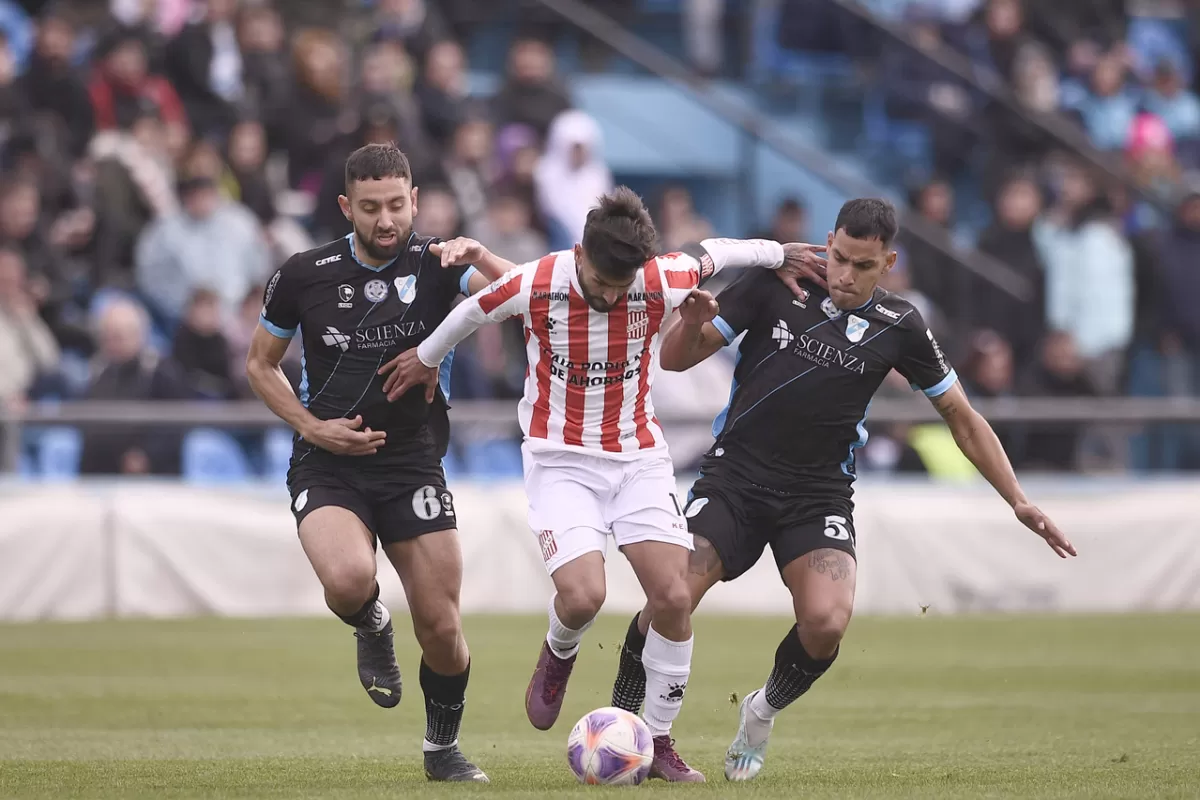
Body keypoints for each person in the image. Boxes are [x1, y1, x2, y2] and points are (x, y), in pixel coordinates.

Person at [606, 198, 1077, 783]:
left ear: (889, 263)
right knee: (670, 596)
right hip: (734, 478)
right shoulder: (776, 282)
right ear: (827, 242)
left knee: (827, 623)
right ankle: (626, 728)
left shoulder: (901, 325)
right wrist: (696, 320)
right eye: (839, 258)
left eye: (863, 266)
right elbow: (675, 360)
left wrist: (1019, 500)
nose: (845, 275)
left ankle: (761, 711)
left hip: (817, 493)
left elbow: (961, 415)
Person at [378, 186, 826, 782]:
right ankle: (560, 648)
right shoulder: (539, 281)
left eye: (623, 288)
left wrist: (779, 253)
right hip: (559, 459)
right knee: (585, 595)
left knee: (672, 595)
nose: (613, 298)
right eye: (602, 285)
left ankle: (660, 741)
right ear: (579, 253)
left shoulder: (661, 277)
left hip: (637, 457)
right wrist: (427, 357)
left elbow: (716, 250)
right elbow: (473, 310)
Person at [244, 142, 513, 783]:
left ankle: (442, 750)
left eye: (397, 204)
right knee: (345, 579)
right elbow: (260, 364)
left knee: (443, 627)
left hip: (412, 464)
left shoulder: (442, 263)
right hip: (327, 461)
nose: (386, 219)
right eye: (370, 208)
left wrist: (480, 254)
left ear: (415, 200)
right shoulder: (304, 273)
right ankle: (369, 620)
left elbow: (527, 296)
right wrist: (313, 426)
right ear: (346, 207)